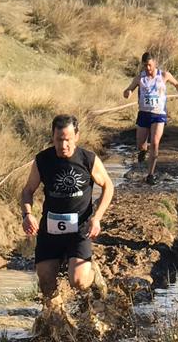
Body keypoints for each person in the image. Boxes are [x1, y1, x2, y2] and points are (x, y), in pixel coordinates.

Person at [20, 115, 115, 304]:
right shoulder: (42, 160)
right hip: (50, 230)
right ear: (52, 137)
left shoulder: (88, 159)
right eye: (59, 140)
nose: (63, 145)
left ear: (76, 136)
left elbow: (108, 186)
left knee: (78, 281)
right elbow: (28, 190)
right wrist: (27, 214)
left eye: (67, 139)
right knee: (46, 283)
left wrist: (97, 217)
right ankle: (56, 320)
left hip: (80, 229)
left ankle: (93, 276)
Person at [122, 53, 178, 184]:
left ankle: (150, 174)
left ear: (155, 64)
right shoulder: (139, 78)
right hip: (144, 114)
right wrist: (128, 93)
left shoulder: (164, 75)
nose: (148, 68)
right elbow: (128, 90)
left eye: (150, 65)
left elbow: (177, 84)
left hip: (159, 114)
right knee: (141, 144)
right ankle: (143, 151)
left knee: (155, 142)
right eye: (145, 65)